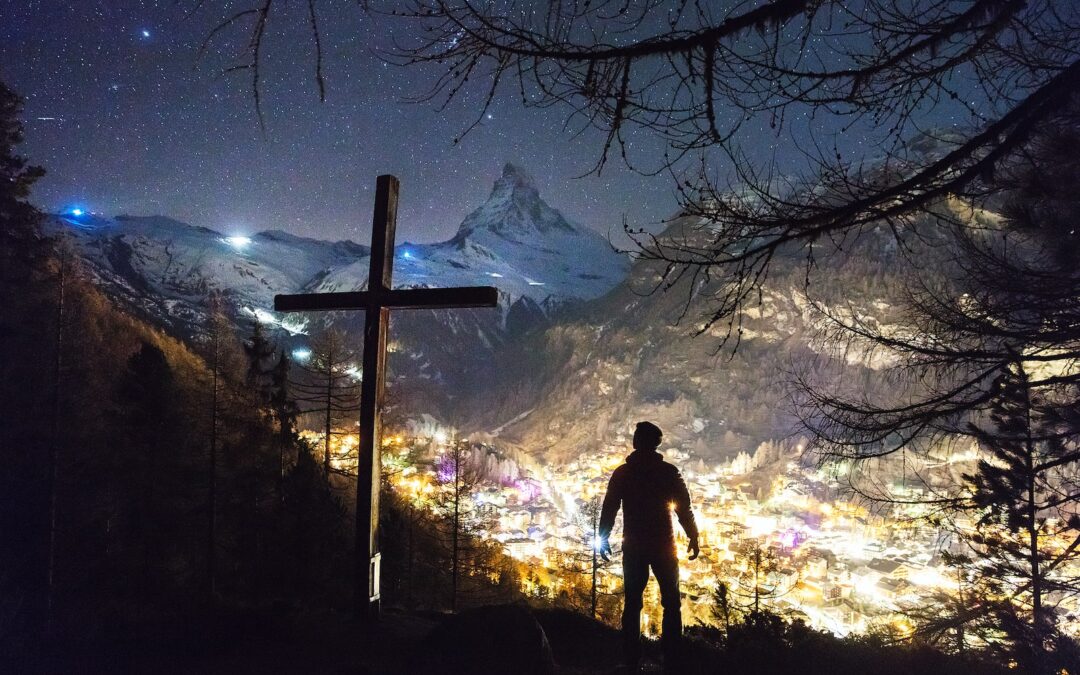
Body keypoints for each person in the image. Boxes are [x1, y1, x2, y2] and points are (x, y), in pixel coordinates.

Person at [599, 421, 699, 671]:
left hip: (633, 546)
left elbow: (610, 507)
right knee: (671, 603)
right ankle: (672, 658)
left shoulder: (623, 473)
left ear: (638, 442)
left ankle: (632, 659)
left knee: (633, 603)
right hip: (664, 546)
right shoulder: (668, 472)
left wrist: (603, 536)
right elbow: (683, 509)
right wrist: (693, 536)